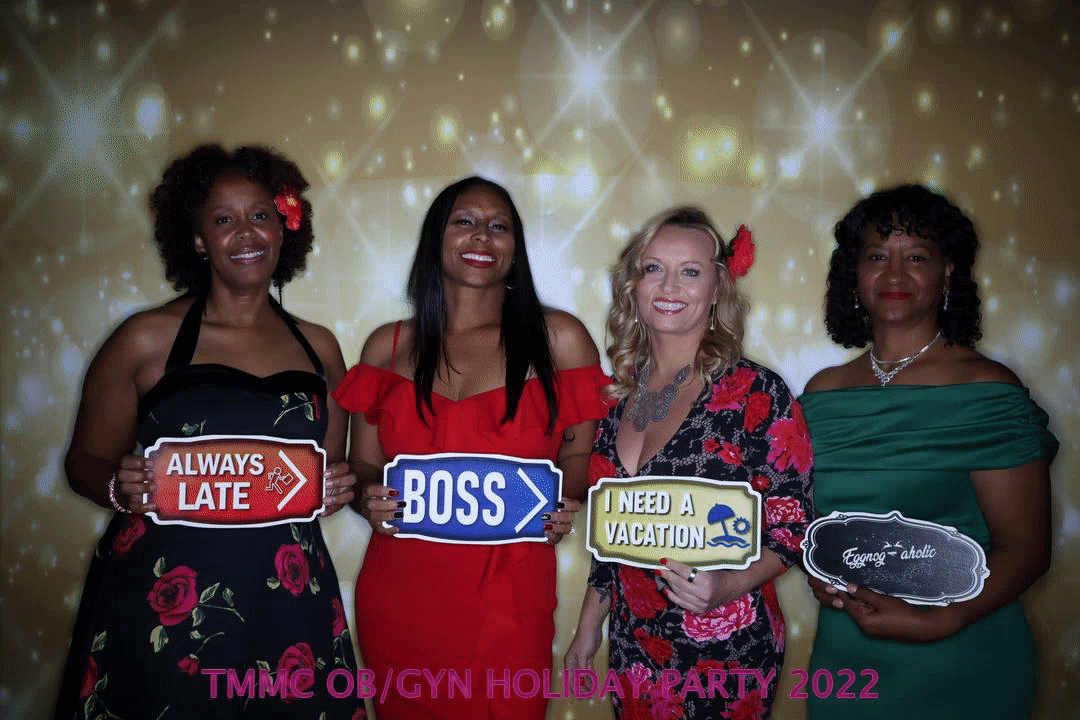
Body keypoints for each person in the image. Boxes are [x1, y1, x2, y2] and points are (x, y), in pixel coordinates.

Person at [54, 145, 361, 719]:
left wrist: (337, 489)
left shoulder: (319, 348)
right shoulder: (145, 338)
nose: (246, 232)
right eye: (224, 219)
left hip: (285, 601)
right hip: (164, 602)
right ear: (198, 239)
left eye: (260, 215)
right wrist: (118, 486)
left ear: (283, 228)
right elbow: (83, 461)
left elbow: (324, 475)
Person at [333, 175, 609, 720]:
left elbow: (578, 455)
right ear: (435, 238)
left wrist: (568, 499)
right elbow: (363, 462)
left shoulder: (559, 339)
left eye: (499, 226)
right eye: (465, 221)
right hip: (401, 595)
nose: (482, 235)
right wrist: (367, 496)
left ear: (515, 250)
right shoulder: (387, 345)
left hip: (510, 595)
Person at [801, 184, 1058, 720]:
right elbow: (816, 523)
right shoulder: (821, 394)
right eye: (877, 256)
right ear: (855, 275)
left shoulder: (986, 390)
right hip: (847, 655)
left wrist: (943, 619)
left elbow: (1026, 548)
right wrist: (821, 570)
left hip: (961, 654)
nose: (894, 275)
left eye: (916, 257)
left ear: (947, 274)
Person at [564, 207, 815, 719]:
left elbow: (795, 526)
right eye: (653, 268)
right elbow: (616, 530)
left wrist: (727, 586)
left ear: (717, 288)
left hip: (728, 649)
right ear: (634, 286)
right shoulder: (615, 398)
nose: (668, 286)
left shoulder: (757, 392)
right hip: (635, 646)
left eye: (690, 271)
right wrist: (589, 626)